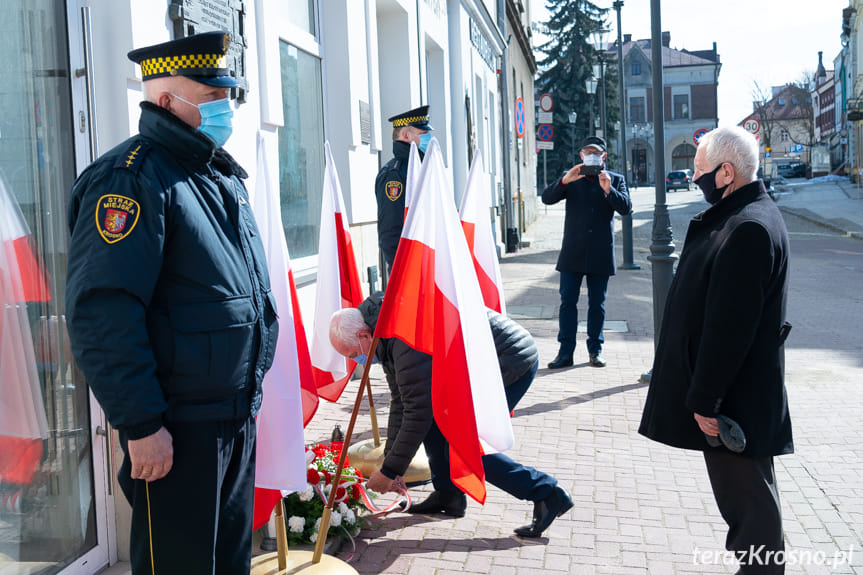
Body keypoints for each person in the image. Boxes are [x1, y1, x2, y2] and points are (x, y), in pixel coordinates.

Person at [65, 31, 278, 574]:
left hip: (229, 417)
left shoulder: (214, 174)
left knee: (229, 564)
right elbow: (103, 311)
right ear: (166, 102)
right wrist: (140, 425)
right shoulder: (132, 180)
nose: (223, 109)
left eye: (225, 96)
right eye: (209, 100)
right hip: (176, 430)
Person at [639, 126, 793, 574]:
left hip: (733, 403)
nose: (694, 178)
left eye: (700, 170)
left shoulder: (747, 227)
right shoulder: (744, 215)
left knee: (751, 516)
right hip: (737, 398)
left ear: (727, 172)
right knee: (752, 509)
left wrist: (706, 398)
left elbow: (731, 327)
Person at [329, 293, 573, 538]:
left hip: (507, 360)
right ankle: (449, 495)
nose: (356, 361)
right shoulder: (382, 331)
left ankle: (546, 493)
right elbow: (401, 402)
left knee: (465, 446)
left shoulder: (401, 337)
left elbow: (416, 413)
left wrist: (391, 470)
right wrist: (390, 463)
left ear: (363, 335)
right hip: (478, 364)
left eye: (352, 354)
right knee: (436, 425)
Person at [542, 136, 632, 369]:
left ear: (603, 156)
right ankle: (565, 352)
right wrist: (564, 180)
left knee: (597, 305)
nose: (591, 156)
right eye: (587, 152)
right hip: (573, 252)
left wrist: (608, 189)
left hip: (600, 253)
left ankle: (595, 350)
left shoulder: (616, 179)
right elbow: (547, 198)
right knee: (567, 303)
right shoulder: (572, 177)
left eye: (596, 152)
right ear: (581, 156)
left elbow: (626, 208)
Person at [375, 105, 432, 270]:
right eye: (423, 134)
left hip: (428, 262)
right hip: (409, 269)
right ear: (406, 135)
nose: (428, 138)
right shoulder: (394, 174)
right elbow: (390, 230)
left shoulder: (423, 167)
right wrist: (400, 272)